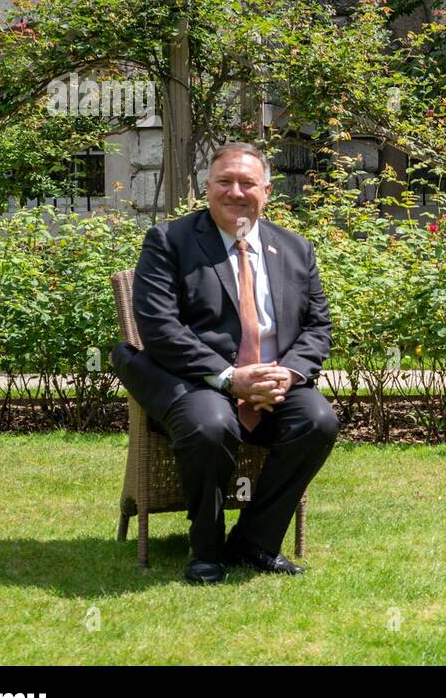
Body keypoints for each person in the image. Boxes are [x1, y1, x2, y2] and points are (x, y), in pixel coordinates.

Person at [112, 141, 337, 585]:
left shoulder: (295, 249)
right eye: (224, 181)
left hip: (274, 382)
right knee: (211, 424)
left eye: (247, 183)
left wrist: (287, 374)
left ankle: (255, 541)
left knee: (318, 420)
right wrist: (233, 378)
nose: (235, 191)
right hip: (194, 379)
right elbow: (159, 327)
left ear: (267, 191)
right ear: (207, 187)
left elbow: (318, 327)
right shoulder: (169, 241)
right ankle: (206, 550)